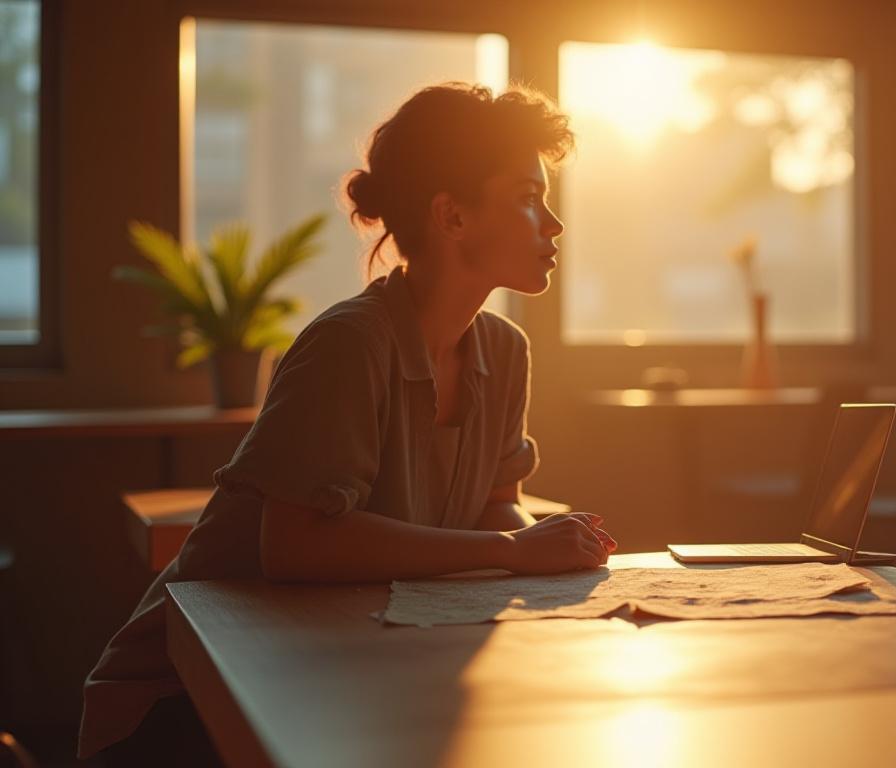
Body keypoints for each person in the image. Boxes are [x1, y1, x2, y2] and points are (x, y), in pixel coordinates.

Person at [79, 82, 617, 764]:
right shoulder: (350, 343)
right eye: (527, 197)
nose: (553, 223)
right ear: (452, 216)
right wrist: (515, 553)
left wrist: (547, 549)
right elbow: (297, 546)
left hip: (324, 665)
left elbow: (495, 508)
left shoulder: (504, 351)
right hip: (184, 700)